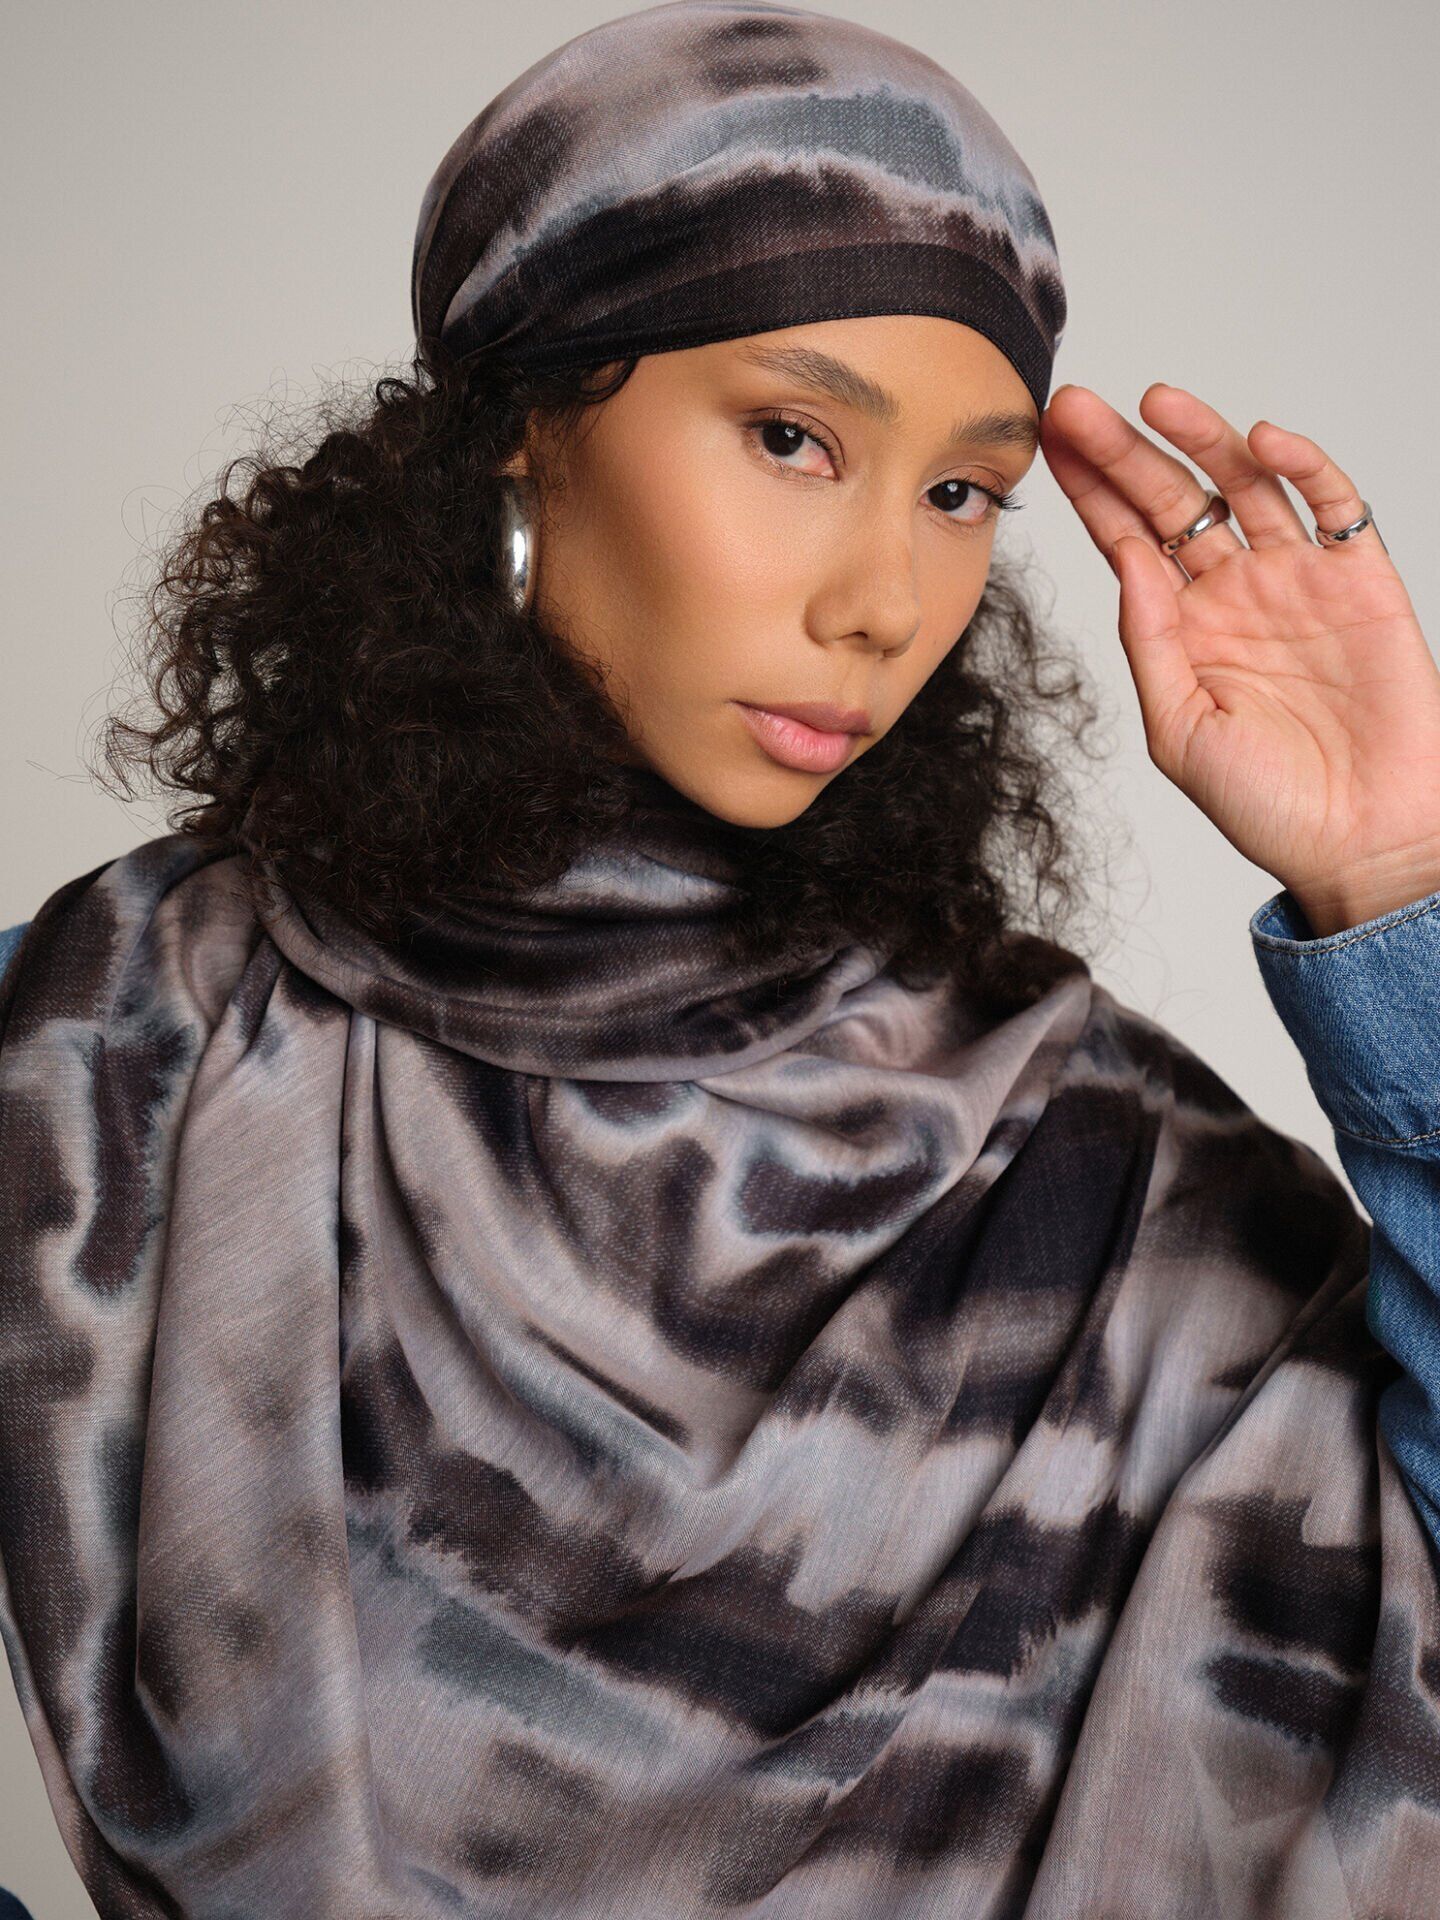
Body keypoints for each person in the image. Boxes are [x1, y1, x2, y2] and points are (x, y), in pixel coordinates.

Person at [1, 3, 1438, 1914]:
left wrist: (1396, 875)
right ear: (526, 425)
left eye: (961, 493)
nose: (885, 602)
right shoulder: (110, 1048)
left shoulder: (1092, 1168)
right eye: (790, 438)